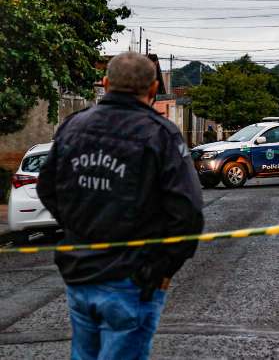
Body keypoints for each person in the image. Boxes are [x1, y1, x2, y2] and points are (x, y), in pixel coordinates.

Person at [37, 52, 204, 360]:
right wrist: (163, 270)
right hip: (132, 279)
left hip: (80, 272)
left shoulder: (73, 126)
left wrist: (76, 228)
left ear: (105, 83)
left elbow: (46, 188)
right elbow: (188, 213)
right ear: (154, 89)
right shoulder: (161, 134)